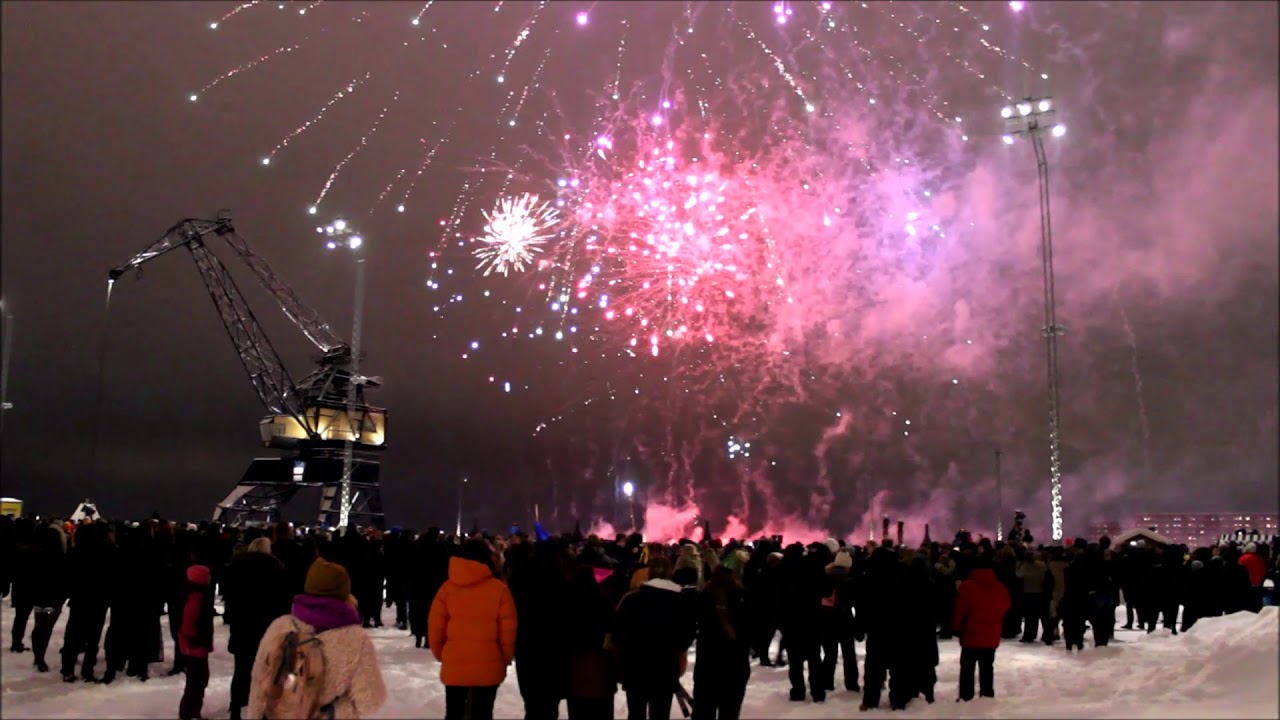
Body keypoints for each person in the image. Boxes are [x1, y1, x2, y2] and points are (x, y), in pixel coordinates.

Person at [249, 558, 387, 719]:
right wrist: (340, 709)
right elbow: (371, 701)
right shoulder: (356, 639)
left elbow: (258, 686)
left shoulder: (280, 627)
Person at [428, 538, 518, 720]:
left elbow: (436, 627)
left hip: (455, 660)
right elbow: (508, 631)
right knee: (483, 712)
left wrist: (442, 653)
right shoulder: (499, 590)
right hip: (489, 662)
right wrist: (504, 657)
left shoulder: (447, 589)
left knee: (454, 712)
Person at [613, 557, 696, 720]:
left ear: (649, 573)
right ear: (671, 574)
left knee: (636, 713)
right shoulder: (681, 602)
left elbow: (618, 634)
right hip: (665, 669)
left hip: (635, 667)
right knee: (660, 713)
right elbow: (685, 638)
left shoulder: (631, 600)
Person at [224, 537, 292, 720]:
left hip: (242, 624)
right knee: (264, 670)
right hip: (265, 626)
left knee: (241, 669)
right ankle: (260, 710)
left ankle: (236, 706)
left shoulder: (235, 567)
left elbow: (229, 596)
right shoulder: (276, 569)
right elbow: (282, 600)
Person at [692, 565, 752, 720]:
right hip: (736, 661)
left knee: (704, 710)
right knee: (730, 710)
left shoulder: (703, 596)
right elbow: (753, 630)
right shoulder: (744, 596)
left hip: (708, 662)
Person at [952, 556, 1011, 702]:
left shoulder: (967, 586)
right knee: (987, 666)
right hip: (991, 632)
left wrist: (956, 626)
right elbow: (1006, 605)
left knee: (967, 667)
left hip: (971, 632)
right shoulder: (999, 587)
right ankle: (987, 693)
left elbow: (960, 609)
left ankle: (966, 695)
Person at [179, 564, 216, 720]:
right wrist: (195, 641)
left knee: (198, 680)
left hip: (196, 646)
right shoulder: (196, 598)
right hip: (195, 647)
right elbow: (188, 624)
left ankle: (192, 712)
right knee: (197, 681)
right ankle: (189, 713)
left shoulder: (196, 596)